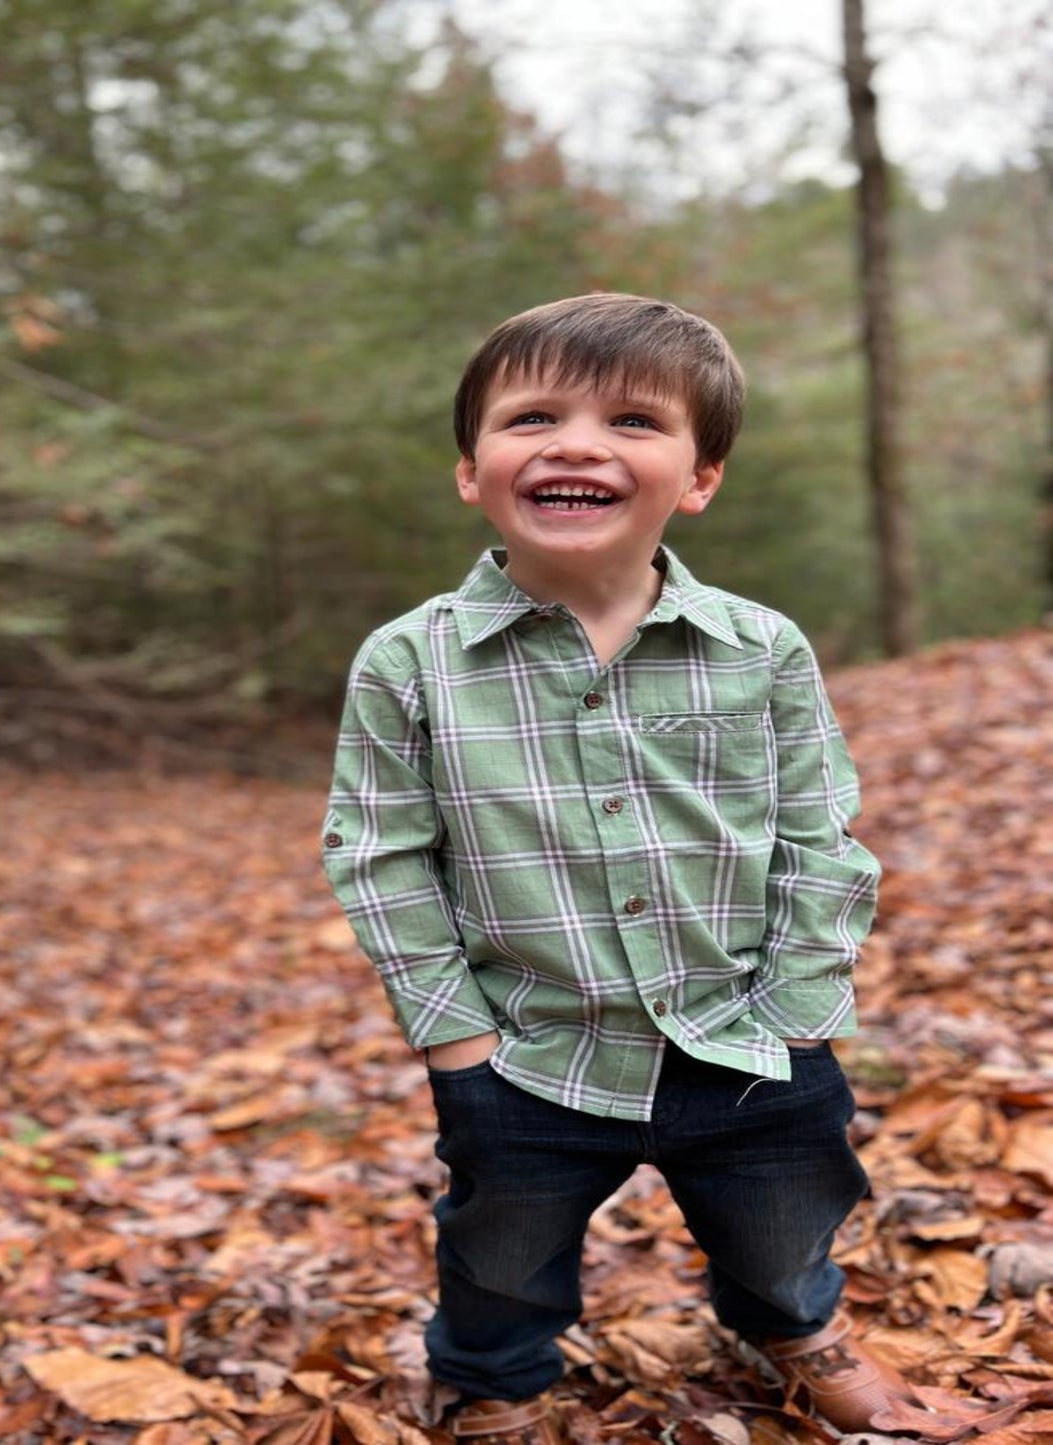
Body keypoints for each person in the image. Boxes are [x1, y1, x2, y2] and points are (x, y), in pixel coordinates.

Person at [321, 294, 920, 1442]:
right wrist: (457, 1037)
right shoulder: (410, 662)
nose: (577, 443)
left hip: (744, 1035)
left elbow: (818, 831)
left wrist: (797, 1007)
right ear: (470, 469)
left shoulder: (759, 647)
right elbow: (377, 851)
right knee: (498, 1250)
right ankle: (493, 1379)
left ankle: (789, 1323)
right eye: (532, 415)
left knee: (784, 1217)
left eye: (632, 422)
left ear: (698, 478)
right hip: (529, 1046)